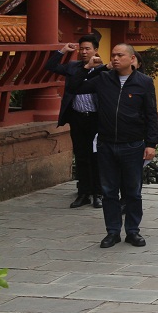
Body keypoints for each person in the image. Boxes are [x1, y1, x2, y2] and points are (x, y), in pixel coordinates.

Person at [71, 44, 157, 248]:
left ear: (132, 58)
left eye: (120, 55)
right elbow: (74, 87)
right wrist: (92, 68)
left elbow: (151, 114)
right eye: (113, 55)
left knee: (133, 192)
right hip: (106, 144)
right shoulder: (103, 79)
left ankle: (133, 231)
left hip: (133, 144)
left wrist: (151, 144)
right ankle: (112, 232)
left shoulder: (144, 82)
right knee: (109, 191)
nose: (116, 58)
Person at [45, 35, 103, 209]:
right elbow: (50, 66)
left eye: (87, 49)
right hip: (77, 118)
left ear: (95, 50)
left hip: (96, 119)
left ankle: (98, 193)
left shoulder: (104, 70)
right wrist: (63, 50)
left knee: (97, 157)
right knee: (81, 155)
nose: (84, 52)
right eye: (81, 49)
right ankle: (83, 193)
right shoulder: (72, 67)